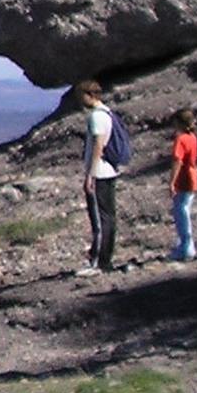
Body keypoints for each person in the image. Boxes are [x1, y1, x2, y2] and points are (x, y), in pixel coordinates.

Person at [74, 80, 120, 276]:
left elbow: (98, 146)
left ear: (88, 95)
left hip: (99, 173)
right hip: (108, 171)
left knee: (100, 220)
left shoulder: (96, 117)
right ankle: (105, 259)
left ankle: (98, 262)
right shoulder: (108, 113)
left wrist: (90, 175)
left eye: (81, 96)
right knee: (108, 217)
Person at [167, 106, 197, 263]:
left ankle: (186, 246)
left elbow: (177, 160)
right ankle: (187, 245)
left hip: (184, 177)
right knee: (185, 209)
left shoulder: (180, 139)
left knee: (181, 212)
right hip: (193, 175)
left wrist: (172, 181)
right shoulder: (193, 137)